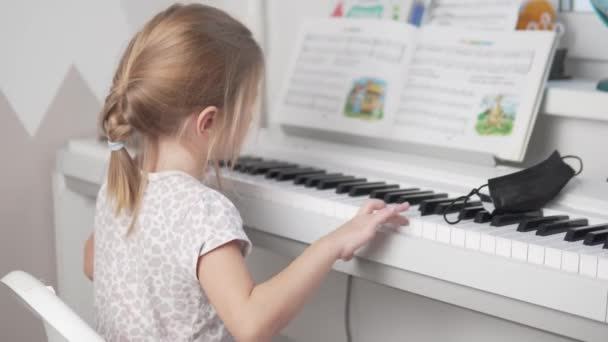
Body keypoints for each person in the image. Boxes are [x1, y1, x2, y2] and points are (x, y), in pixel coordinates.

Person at [83, 4, 409, 342]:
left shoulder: (121, 182)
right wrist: (331, 244)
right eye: (248, 107)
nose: (250, 121)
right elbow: (251, 323)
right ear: (208, 122)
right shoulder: (200, 210)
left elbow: (94, 266)